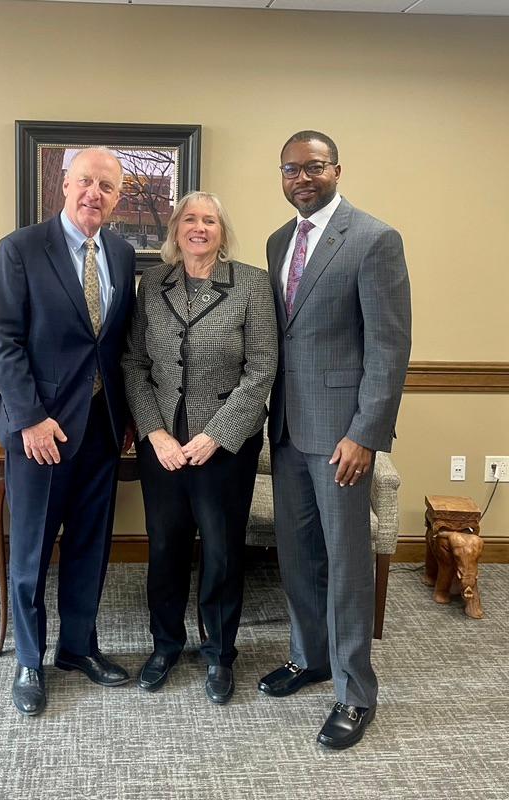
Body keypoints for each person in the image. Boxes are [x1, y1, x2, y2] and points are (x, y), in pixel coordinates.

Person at [259, 131, 411, 748]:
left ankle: (353, 692)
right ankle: (310, 656)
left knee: (347, 563)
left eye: (314, 167)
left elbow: (389, 347)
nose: (302, 177)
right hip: (289, 431)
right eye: (291, 169)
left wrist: (366, 435)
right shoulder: (276, 242)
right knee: (297, 556)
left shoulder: (374, 239)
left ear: (337, 170)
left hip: (343, 439)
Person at [0, 148, 136, 716]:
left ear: (118, 196)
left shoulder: (121, 255)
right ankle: (30, 658)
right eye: (84, 182)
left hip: (100, 428)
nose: (93, 193)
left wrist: (124, 417)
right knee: (30, 551)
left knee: (89, 547)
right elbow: (5, 339)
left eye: (106, 185)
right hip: (39, 430)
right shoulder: (21, 249)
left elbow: (115, 345)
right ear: (64, 187)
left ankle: (79, 648)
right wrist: (27, 418)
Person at [122, 191, 277, 704]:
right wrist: (156, 433)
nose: (199, 227)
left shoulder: (252, 284)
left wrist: (216, 435)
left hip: (226, 447)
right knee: (165, 547)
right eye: (189, 218)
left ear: (222, 231)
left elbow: (261, 370)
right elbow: (134, 364)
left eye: (209, 220)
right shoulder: (153, 286)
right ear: (175, 229)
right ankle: (165, 645)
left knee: (222, 551)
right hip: (163, 443)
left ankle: (219, 653)